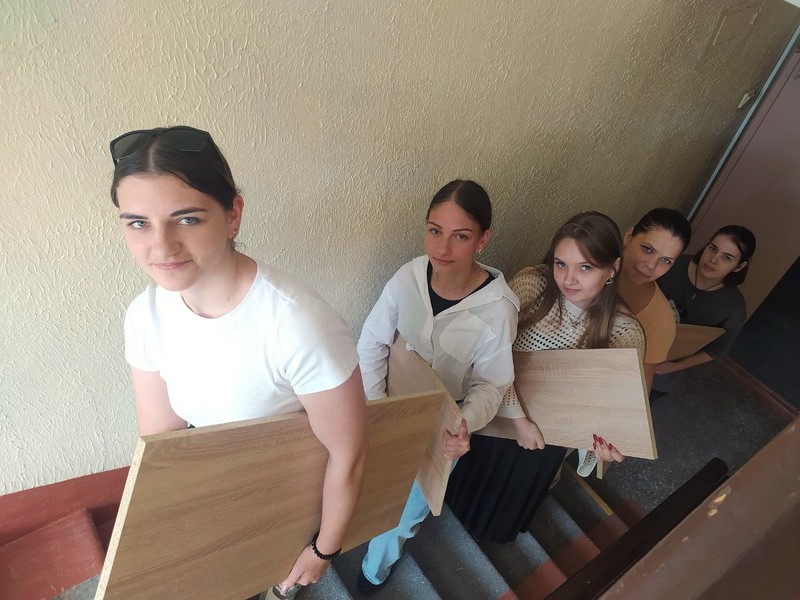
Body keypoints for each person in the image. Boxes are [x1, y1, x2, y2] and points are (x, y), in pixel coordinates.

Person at [109, 126, 368, 597]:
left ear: (233, 215)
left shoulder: (297, 323)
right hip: (215, 493)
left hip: (282, 500)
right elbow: (164, 444)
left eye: (187, 219)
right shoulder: (144, 315)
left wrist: (323, 549)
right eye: (139, 223)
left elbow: (348, 454)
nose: (161, 247)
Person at [356, 180, 519, 593]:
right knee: (370, 479)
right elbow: (373, 341)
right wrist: (377, 406)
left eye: (460, 236)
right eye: (434, 230)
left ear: (482, 240)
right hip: (390, 400)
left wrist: (464, 423)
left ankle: (373, 571)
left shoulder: (499, 309)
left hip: (445, 423)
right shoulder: (408, 276)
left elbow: (492, 383)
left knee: (406, 510)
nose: (442, 248)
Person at [445, 211, 645, 543]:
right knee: (464, 482)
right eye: (561, 263)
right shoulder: (533, 283)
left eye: (585, 267)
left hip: (547, 436)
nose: (569, 279)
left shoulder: (624, 332)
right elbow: (491, 351)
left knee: (505, 504)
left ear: (613, 268)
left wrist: (602, 443)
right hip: (497, 409)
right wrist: (518, 419)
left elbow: (606, 410)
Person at [652, 225, 756, 397]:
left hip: (665, 368)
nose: (713, 259)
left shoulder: (734, 308)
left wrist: (674, 367)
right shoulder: (672, 264)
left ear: (739, 266)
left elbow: (716, 350)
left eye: (726, 257)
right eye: (713, 249)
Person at [617, 208, 692, 392]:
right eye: (647, 249)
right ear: (629, 237)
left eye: (666, 261)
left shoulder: (660, 321)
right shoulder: (587, 265)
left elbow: (640, 386)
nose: (651, 265)